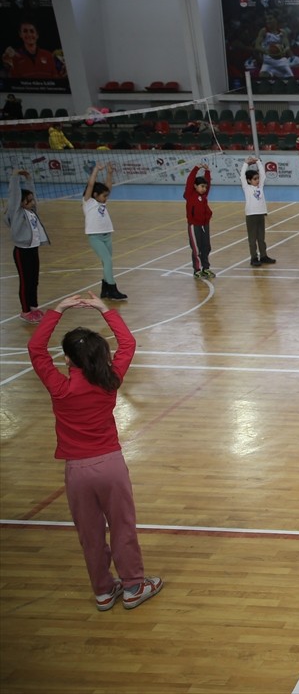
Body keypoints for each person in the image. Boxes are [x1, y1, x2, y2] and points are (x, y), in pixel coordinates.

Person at [27, 291, 162, 610]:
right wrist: (105, 310)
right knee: (122, 525)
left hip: (77, 472)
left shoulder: (60, 388)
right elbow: (128, 344)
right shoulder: (109, 381)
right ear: (101, 356)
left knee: (89, 532)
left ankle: (103, 591)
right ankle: (132, 586)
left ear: (68, 359)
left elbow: (35, 350)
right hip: (110, 466)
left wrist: (57, 310)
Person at [7, 169, 50, 324]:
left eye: (32, 200)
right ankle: (25, 311)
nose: (33, 202)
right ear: (21, 203)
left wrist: (29, 179)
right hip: (22, 251)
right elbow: (13, 196)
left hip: (33, 249)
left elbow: (32, 194)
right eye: (29, 201)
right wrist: (15, 177)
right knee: (25, 282)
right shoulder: (16, 212)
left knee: (34, 280)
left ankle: (33, 307)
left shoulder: (32, 211)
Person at [82, 162, 127, 299]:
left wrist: (109, 173)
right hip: (95, 237)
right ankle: (112, 289)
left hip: (107, 235)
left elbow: (108, 188)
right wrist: (96, 170)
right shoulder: (88, 202)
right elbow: (90, 184)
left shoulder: (102, 202)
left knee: (106, 262)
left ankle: (105, 290)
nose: (106, 198)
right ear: (95, 194)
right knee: (108, 261)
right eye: (104, 196)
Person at [241, 156, 275, 268]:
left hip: (261, 214)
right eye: (255, 179)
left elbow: (263, 175)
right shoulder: (247, 188)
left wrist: (258, 162)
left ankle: (263, 256)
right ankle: (254, 257)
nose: (257, 180)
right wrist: (246, 163)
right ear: (249, 180)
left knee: (261, 237)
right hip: (251, 215)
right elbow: (242, 176)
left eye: (257, 178)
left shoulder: (260, 187)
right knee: (252, 238)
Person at [2, 20, 66, 79]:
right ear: (20, 34)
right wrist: (7, 67)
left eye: (32, 31)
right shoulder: (15, 58)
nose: (29, 34)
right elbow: (14, 83)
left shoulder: (48, 55)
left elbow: (56, 80)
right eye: (25, 31)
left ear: (37, 35)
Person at [183, 163, 214, 281]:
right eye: (202, 186)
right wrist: (196, 168)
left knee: (206, 247)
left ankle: (205, 268)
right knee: (196, 249)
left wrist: (207, 171)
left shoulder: (204, 195)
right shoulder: (189, 195)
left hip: (205, 225)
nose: (204, 189)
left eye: (205, 187)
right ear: (195, 186)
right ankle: (197, 270)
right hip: (194, 225)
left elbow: (208, 183)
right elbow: (190, 180)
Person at [253, 13, 294, 79]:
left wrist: (284, 51)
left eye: (270, 19)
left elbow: (287, 46)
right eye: (266, 19)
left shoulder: (282, 32)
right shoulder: (263, 31)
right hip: (268, 62)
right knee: (263, 79)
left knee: (290, 82)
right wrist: (267, 51)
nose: (267, 21)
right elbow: (257, 46)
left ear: (276, 20)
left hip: (281, 61)